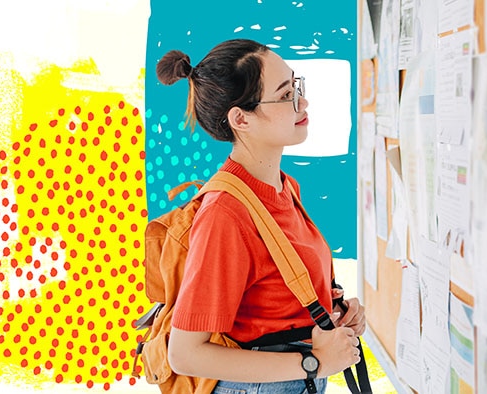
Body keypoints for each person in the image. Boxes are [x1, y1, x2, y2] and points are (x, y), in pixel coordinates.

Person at [155, 38, 365, 394]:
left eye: (296, 87)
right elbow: (185, 353)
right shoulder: (226, 212)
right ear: (241, 118)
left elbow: (276, 300)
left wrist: (333, 313)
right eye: (285, 96)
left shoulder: (285, 187)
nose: (303, 102)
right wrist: (314, 362)